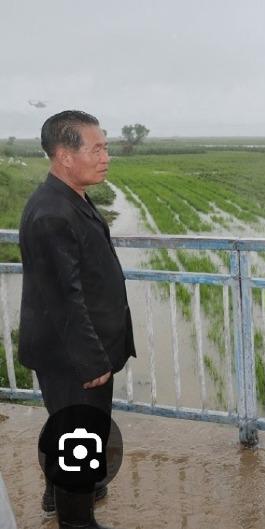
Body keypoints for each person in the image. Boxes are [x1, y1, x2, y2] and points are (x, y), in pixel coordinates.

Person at [18, 110, 135, 529]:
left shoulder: (71, 197)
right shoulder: (52, 213)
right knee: (79, 443)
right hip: (72, 359)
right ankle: (76, 521)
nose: (106, 156)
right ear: (65, 155)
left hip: (75, 352)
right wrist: (92, 363)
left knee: (74, 433)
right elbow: (64, 300)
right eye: (97, 148)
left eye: (106, 147)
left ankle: (59, 494)